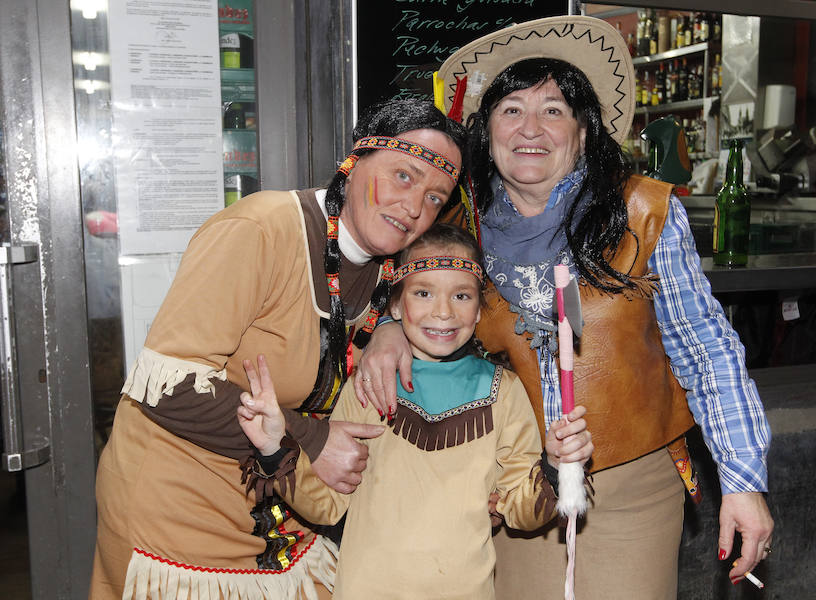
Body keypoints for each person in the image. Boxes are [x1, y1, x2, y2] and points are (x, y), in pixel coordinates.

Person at [356, 16, 775, 599]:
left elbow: (705, 347)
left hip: (629, 492)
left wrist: (743, 481)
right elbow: (395, 289)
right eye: (511, 109)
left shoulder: (644, 213)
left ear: (583, 132)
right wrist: (389, 331)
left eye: (553, 110)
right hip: (511, 487)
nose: (531, 128)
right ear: (487, 129)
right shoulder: (458, 226)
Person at [90, 99, 467, 599]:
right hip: (179, 508)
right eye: (403, 175)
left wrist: (391, 328)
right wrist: (311, 438)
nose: (414, 207)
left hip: (282, 513)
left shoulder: (389, 268)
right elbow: (166, 387)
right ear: (355, 159)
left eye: (436, 197)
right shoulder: (261, 230)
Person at [236, 223, 594, 599]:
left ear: (478, 312)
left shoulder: (502, 393)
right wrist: (276, 447)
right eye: (423, 293)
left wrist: (556, 466)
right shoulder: (369, 385)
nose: (443, 312)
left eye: (461, 296)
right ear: (395, 305)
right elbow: (326, 505)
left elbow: (521, 509)